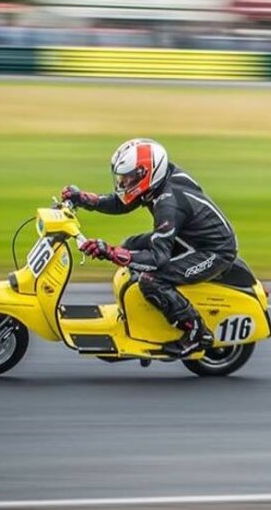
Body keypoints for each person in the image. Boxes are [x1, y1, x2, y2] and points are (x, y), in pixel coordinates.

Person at [62, 138, 237, 357]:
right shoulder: (158, 181)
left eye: (129, 176)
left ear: (147, 173)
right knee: (131, 245)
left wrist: (110, 252)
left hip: (214, 251)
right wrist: (84, 199)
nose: (123, 182)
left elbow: (158, 259)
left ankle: (196, 332)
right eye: (122, 177)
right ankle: (147, 311)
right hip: (187, 239)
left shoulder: (168, 203)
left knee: (152, 279)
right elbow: (121, 203)